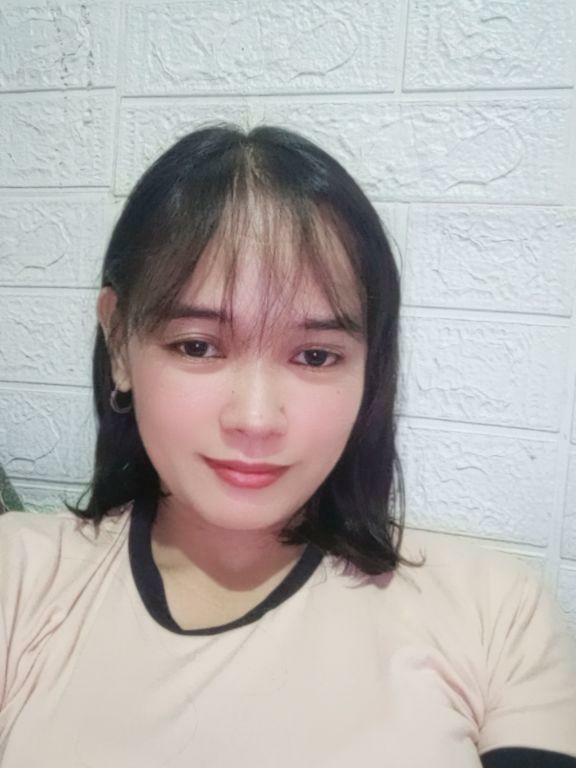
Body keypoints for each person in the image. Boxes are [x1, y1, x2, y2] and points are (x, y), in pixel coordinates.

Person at [0, 124, 575, 767]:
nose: (255, 419)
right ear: (119, 344)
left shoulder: (495, 613)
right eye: (198, 346)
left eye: (315, 356)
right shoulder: (18, 579)